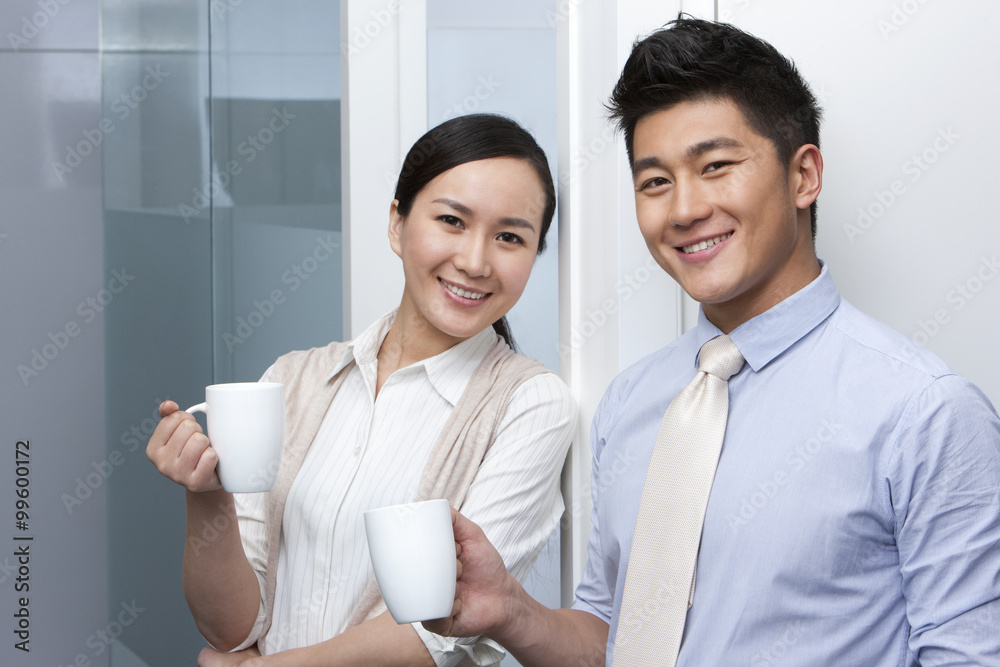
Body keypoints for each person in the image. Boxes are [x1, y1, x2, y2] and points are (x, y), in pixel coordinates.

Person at [423, 17, 1000, 666]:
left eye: (716, 166)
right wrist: (508, 608)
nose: (683, 208)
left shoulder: (925, 411)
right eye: (655, 181)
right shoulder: (630, 402)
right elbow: (608, 638)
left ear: (803, 175)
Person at [146, 113, 576, 667]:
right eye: (451, 220)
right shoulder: (293, 379)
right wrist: (207, 498)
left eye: (510, 237)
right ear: (397, 223)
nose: (474, 261)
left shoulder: (531, 405)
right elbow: (232, 629)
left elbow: (446, 631)